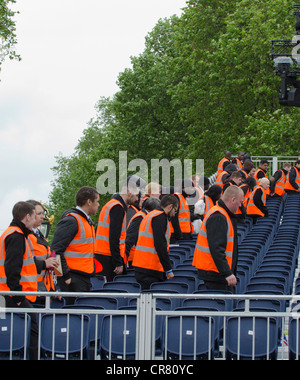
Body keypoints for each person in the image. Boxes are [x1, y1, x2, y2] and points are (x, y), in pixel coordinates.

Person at [0, 201, 57, 360]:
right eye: (34, 216)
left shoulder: (13, 234)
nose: (36, 222)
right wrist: (18, 297)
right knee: (32, 329)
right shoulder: (16, 236)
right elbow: (13, 269)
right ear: (27, 217)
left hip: (8, 293)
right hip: (11, 294)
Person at [50, 186, 100, 304]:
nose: (98, 205)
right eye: (97, 201)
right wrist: (65, 277)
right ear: (89, 202)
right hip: (73, 279)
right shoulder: (72, 220)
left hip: (82, 277)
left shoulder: (85, 221)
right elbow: (55, 250)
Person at [192, 186, 244, 292]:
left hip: (216, 272)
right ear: (233, 199)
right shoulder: (219, 216)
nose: (240, 205)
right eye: (240, 202)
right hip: (216, 273)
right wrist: (227, 273)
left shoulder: (220, 214)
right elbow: (217, 248)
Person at [95, 178, 140, 281]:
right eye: (136, 195)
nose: (137, 199)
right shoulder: (117, 208)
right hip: (108, 257)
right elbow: (114, 237)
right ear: (129, 193)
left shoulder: (111, 205)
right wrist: (118, 262)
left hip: (102, 254)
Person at [132, 195, 178, 291]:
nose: (174, 214)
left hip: (142, 265)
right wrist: (168, 269)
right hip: (150, 267)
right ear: (170, 207)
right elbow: (160, 244)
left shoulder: (151, 215)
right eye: (175, 210)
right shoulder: (160, 217)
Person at [27, 200, 56, 298]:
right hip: (31, 289)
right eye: (39, 214)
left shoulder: (39, 234)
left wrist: (53, 289)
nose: (42, 217)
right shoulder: (24, 236)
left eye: (42, 214)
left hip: (42, 288)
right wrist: (44, 264)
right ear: (29, 215)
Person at [125, 197, 161, 267]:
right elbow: (129, 239)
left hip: (137, 256)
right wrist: (125, 259)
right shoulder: (140, 218)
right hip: (133, 257)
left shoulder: (144, 216)